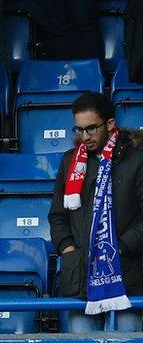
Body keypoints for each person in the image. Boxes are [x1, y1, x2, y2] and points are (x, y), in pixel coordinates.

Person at [49, 92, 143, 333]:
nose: (84, 137)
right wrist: (69, 250)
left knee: (126, 334)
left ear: (110, 124)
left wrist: (119, 247)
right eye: (78, 130)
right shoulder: (70, 161)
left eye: (91, 128)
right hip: (80, 277)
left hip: (124, 275)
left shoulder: (137, 158)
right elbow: (57, 216)